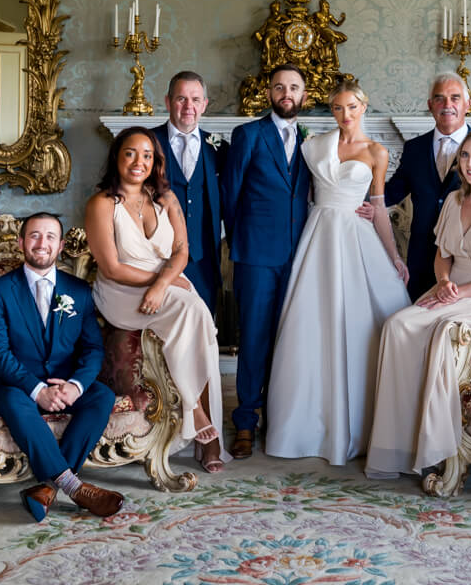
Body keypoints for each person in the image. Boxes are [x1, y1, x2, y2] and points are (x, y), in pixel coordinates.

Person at [366, 130, 471, 479]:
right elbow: (442, 257)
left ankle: (435, 446)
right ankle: (398, 443)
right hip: (449, 287)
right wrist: (443, 282)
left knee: (429, 330)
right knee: (397, 326)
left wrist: (462, 291)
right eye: (465, 156)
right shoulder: (455, 202)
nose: (470, 164)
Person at [264, 82, 411, 466]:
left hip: (355, 237)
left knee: (360, 324)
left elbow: (377, 207)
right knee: (311, 326)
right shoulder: (313, 145)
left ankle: (362, 427)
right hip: (319, 236)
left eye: (352, 107)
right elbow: (301, 195)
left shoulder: (377, 152)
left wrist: (394, 256)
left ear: (364, 107)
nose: (345, 115)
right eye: (338, 108)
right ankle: (305, 427)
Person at [85, 127, 228, 472]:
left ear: (156, 161)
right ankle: (198, 418)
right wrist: (159, 283)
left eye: (147, 155)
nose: (139, 161)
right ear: (117, 157)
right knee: (194, 310)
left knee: (199, 320)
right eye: (131, 153)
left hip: (164, 286)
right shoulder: (102, 204)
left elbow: (182, 251)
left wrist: (162, 284)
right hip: (121, 292)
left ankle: (203, 421)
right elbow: (111, 266)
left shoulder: (166, 199)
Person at [0, 212, 124, 521]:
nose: (42, 243)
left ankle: (47, 488)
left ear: (60, 247)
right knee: (15, 401)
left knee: (101, 396)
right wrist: (37, 389)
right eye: (34, 236)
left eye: (50, 237)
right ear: (21, 243)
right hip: (15, 382)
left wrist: (76, 385)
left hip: (64, 380)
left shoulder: (80, 291)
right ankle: (73, 485)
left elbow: (93, 348)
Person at [220, 64, 312, 457]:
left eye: (293, 87)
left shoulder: (312, 141)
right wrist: (240, 245)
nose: (286, 93)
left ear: (304, 95)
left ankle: (281, 415)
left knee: (289, 339)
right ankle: (245, 421)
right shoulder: (249, 134)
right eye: (279, 87)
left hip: (300, 255)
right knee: (254, 338)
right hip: (256, 255)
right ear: (269, 93)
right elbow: (230, 194)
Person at [385, 72, 471, 299]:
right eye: (439, 98)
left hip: (469, 261)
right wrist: (354, 197)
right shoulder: (414, 148)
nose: (447, 105)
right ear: (430, 105)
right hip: (422, 258)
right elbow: (392, 193)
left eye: (455, 98)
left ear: (467, 104)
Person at [151, 71, 221, 312]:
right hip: (158, 257)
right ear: (168, 102)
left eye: (195, 99)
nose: (188, 106)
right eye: (181, 99)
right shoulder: (148, 142)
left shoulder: (219, 147)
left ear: (204, 105)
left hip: (204, 258)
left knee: (203, 327)